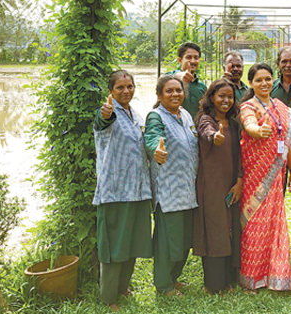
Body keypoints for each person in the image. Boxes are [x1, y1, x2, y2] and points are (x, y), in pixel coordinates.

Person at [93, 70, 152, 311]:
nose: (126, 91)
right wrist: (105, 113)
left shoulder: (135, 114)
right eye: (120, 87)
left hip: (138, 190)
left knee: (133, 242)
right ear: (111, 91)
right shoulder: (108, 112)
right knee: (114, 245)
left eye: (130, 86)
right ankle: (109, 297)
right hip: (115, 191)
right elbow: (101, 120)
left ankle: (122, 287)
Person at [238, 63, 291, 291]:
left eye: (268, 79)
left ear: (273, 80)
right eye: (259, 80)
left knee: (274, 223)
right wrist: (256, 129)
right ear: (251, 83)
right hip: (255, 176)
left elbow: (286, 140)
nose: (264, 83)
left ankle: (275, 273)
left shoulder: (281, 106)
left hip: (277, 174)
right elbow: (249, 124)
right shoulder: (247, 106)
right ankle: (252, 275)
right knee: (253, 223)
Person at [144, 74, 199, 297]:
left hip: (188, 188)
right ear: (159, 95)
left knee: (184, 239)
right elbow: (152, 137)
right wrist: (155, 150)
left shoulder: (185, 115)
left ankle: (174, 278)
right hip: (169, 190)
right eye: (169, 91)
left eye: (179, 90)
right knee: (168, 241)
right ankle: (163, 284)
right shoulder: (156, 116)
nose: (175, 94)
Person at [193, 78, 243, 294]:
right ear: (211, 97)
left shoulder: (233, 122)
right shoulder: (206, 119)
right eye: (221, 96)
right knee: (215, 231)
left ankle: (227, 279)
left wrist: (240, 180)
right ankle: (213, 284)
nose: (226, 100)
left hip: (231, 184)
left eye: (230, 96)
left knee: (230, 229)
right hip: (211, 185)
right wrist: (215, 136)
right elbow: (206, 131)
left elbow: (239, 155)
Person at [166, 42, 207, 117]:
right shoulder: (170, 78)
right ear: (180, 60)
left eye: (196, 58)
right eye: (188, 57)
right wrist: (179, 76)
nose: (193, 61)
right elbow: (161, 81)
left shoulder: (202, 87)